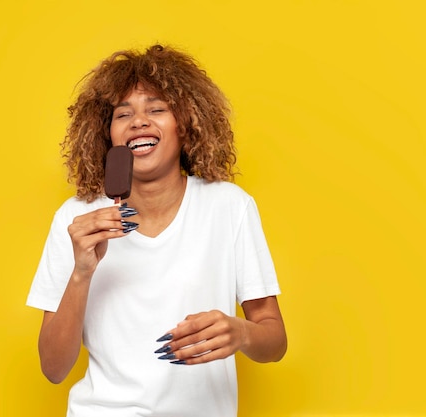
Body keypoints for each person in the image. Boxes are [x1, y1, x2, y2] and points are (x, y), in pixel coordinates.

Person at [27, 44, 287, 417]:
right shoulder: (76, 218)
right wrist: (82, 272)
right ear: (107, 133)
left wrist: (241, 333)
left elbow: (274, 341)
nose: (139, 122)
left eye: (156, 109)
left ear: (187, 124)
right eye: (123, 114)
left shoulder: (229, 206)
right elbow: (53, 369)